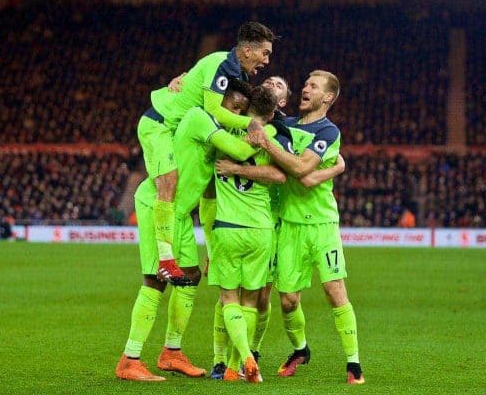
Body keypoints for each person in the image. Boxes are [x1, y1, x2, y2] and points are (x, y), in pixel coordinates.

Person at [116, 81, 262, 382]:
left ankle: (171, 352)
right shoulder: (199, 117)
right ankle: (130, 359)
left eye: (241, 111)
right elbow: (238, 148)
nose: (236, 114)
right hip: (157, 205)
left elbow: (209, 195)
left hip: (180, 215)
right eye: (233, 107)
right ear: (217, 100)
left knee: (190, 277)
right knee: (157, 279)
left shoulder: (216, 134)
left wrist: (211, 245)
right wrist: (264, 130)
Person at [251, 70, 365, 385]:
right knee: (287, 299)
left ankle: (354, 364)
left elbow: (302, 170)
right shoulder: (284, 125)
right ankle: (301, 349)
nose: (305, 88)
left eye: (313, 86)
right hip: (289, 225)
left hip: (323, 224)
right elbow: (253, 112)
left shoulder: (328, 132)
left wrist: (271, 147)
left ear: (327, 97)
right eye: (304, 84)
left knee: (334, 289)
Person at [140, 21, 275, 284]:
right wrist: (251, 124)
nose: (266, 61)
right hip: (159, 123)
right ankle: (165, 259)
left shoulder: (235, 74)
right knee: (168, 182)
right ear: (247, 51)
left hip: (177, 128)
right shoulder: (221, 64)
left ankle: (194, 253)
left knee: (198, 185)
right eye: (265, 53)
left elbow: (197, 81)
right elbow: (214, 110)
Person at [207, 85, 285, 383]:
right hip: (261, 230)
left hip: (228, 227)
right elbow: (279, 175)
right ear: (272, 112)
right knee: (251, 301)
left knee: (228, 299)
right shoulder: (272, 136)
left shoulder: (223, 135)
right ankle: (235, 366)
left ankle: (244, 357)